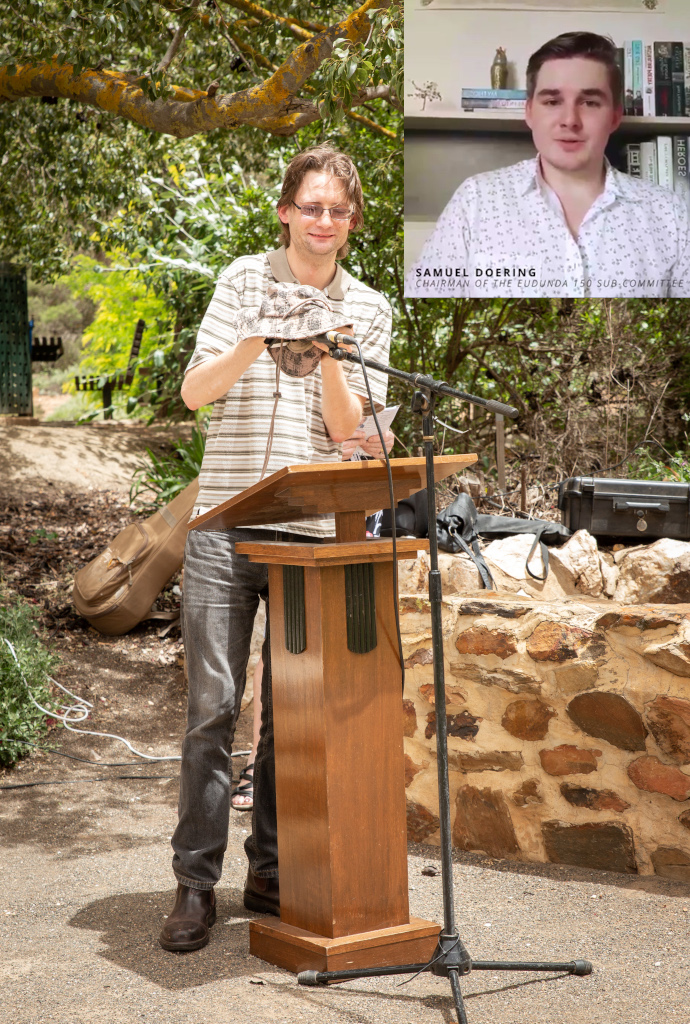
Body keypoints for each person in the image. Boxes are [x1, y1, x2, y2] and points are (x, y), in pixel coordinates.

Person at [158, 144, 392, 952]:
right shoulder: (239, 280)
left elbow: (351, 435)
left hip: (309, 533)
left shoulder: (371, 306)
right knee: (212, 712)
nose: (323, 222)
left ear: (351, 223)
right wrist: (263, 332)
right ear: (286, 211)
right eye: (311, 206)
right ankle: (194, 886)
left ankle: (269, 873)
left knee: (292, 719)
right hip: (225, 526)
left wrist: (328, 347)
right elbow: (195, 394)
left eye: (338, 211)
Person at [405, 31, 690, 299]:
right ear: (529, 112)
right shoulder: (476, 199)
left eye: (590, 102)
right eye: (553, 101)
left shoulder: (670, 215)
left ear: (615, 117)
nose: (570, 120)